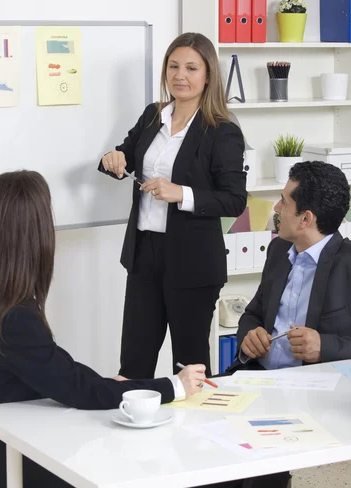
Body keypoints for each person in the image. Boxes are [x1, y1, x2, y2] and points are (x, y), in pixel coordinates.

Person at [0, 171, 206, 488]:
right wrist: (172, 386)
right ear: (31, 238)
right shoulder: (16, 318)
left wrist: (118, 382)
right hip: (8, 460)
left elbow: (56, 367)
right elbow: (74, 388)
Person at [99, 32, 247, 378]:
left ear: (208, 75)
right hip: (144, 253)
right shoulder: (154, 115)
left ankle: (197, 431)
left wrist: (181, 193)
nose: (180, 75)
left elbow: (234, 200)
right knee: (134, 362)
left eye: (191, 68)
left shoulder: (222, 130)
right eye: (174, 66)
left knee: (190, 366)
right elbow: (127, 154)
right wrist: (114, 158)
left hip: (193, 261)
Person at [225, 160, 351, 488]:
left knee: (249, 471)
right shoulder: (280, 250)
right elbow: (254, 311)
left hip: (309, 394)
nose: (276, 209)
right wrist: (249, 334)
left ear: (306, 219)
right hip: (257, 380)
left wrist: (326, 346)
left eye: (284, 202)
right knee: (210, 451)